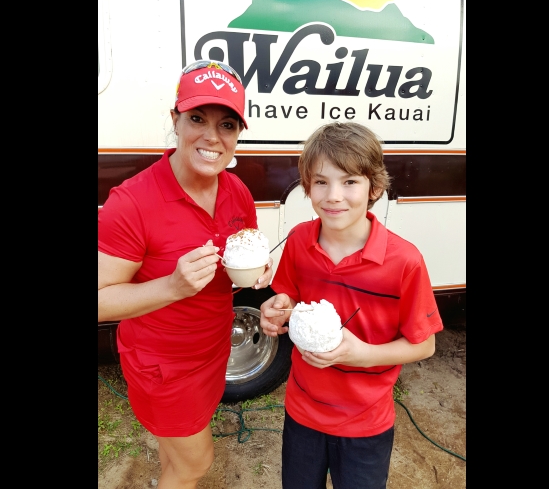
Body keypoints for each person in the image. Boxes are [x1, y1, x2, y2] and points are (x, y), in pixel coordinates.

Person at [98, 60, 273, 488]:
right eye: (197, 118)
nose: (212, 137)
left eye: (227, 125)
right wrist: (172, 286)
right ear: (174, 120)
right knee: (196, 464)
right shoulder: (132, 202)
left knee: (177, 456)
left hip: (214, 352)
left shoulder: (237, 192)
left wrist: (253, 271)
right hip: (163, 365)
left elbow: (235, 267)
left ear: (237, 135)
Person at [259, 122, 444, 489]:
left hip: (365, 421)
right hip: (303, 411)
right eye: (321, 181)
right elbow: (290, 299)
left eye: (349, 182)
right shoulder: (299, 240)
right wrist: (278, 307)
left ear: (374, 187)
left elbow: (424, 345)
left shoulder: (404, 261)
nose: (333, 195)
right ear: (307, 186)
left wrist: (359, 354)